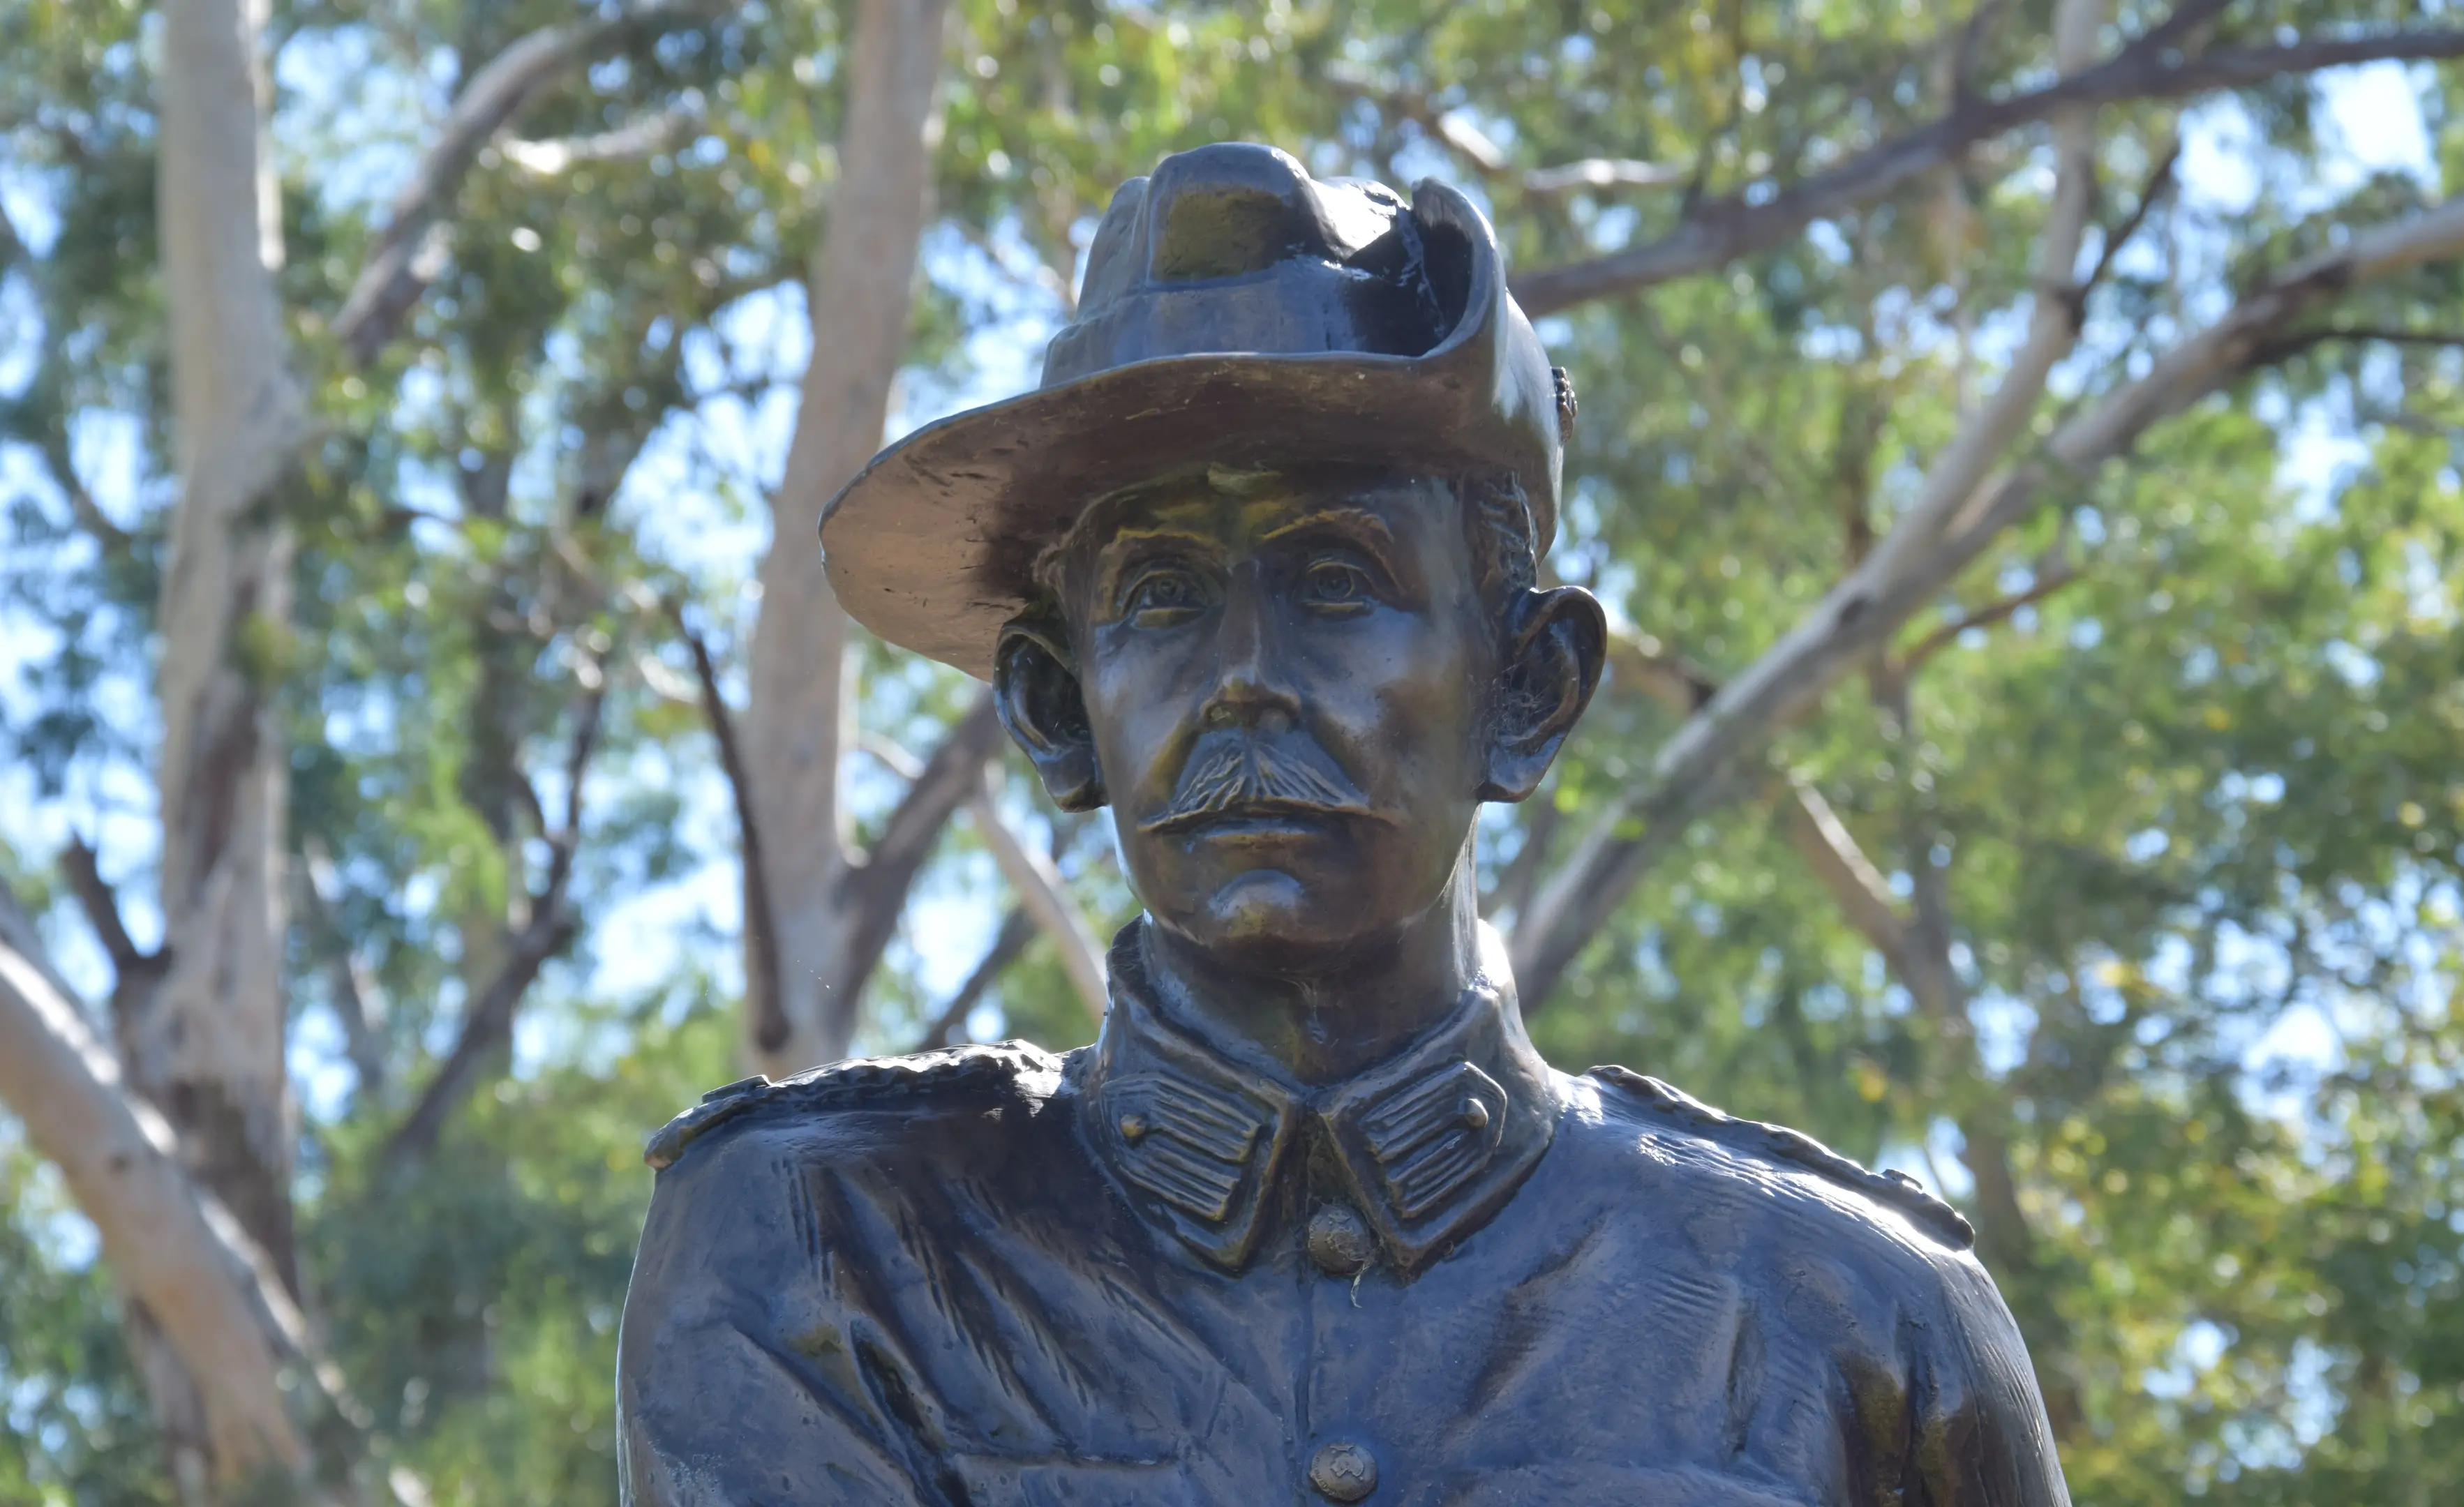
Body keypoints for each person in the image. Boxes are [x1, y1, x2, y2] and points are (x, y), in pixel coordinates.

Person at [616, 142, 2070, 1507]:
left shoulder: (1855, 1320)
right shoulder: (817, 1250)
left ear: (1531, 688)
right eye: (1163, 601)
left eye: (1335, 583)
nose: (1244, 681)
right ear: (1060, 712)